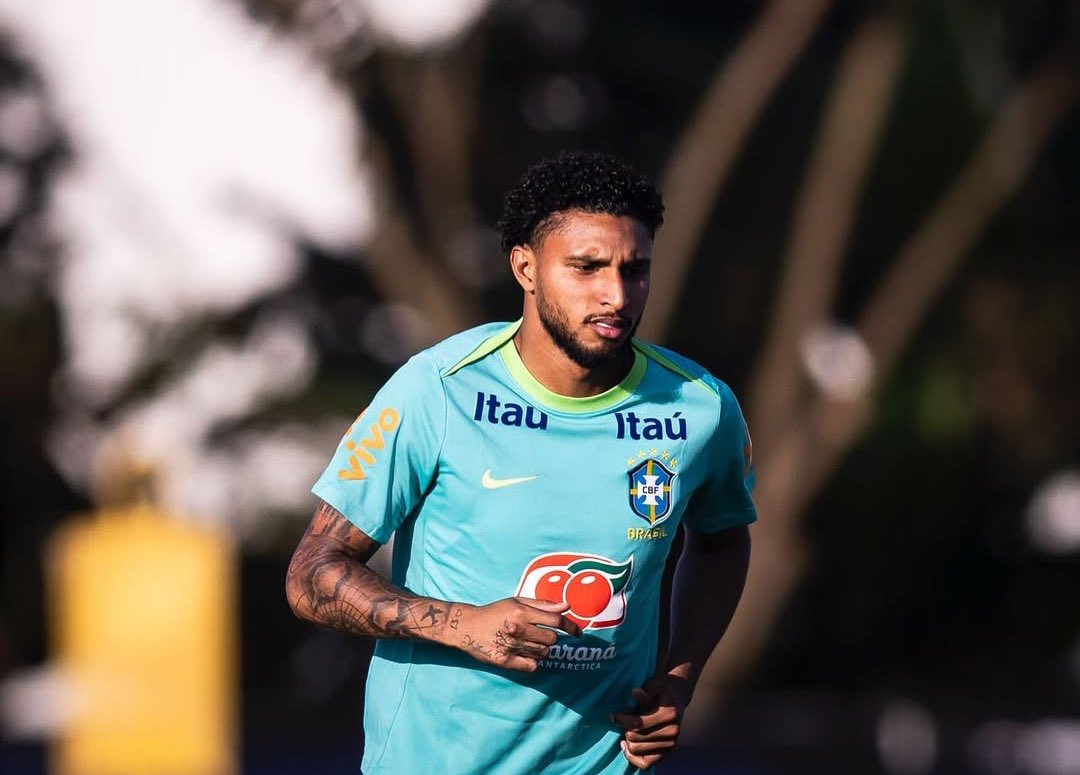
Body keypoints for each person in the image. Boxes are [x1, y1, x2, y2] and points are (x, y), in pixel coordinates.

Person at [286, 151, 756, 774]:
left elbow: (721, 542)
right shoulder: (438, 390)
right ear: (526, 268)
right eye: (586, 267)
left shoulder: (700, 409)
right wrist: (462, 625)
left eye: (635, 269)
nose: (615, 295)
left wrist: (679, 678)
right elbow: (310, 575)